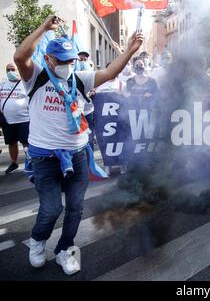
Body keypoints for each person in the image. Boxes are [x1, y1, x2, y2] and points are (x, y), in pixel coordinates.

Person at [13, 15, 143, 275]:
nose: (67, 65)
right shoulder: (35, 76)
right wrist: (43, 27)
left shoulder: (80, 78)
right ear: (49, 59)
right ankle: (38, 242)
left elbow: (110, 72)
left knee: (75, 207)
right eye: (61, 61)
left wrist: (129, 51)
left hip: (77, 155)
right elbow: (19, 57)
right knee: (52, 209)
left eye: (71, 60)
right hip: (45, 157)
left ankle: (65, 249)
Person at [0, 63, 30, 173]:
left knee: (26, 142)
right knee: (11, 143)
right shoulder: (2, 84)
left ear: (18, 70)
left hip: (24, 119)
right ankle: (13, 163)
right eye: (8, 70)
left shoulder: (25, 84)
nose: (10, 72)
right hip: (7, 121)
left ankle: (30, 161)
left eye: (13, 69)